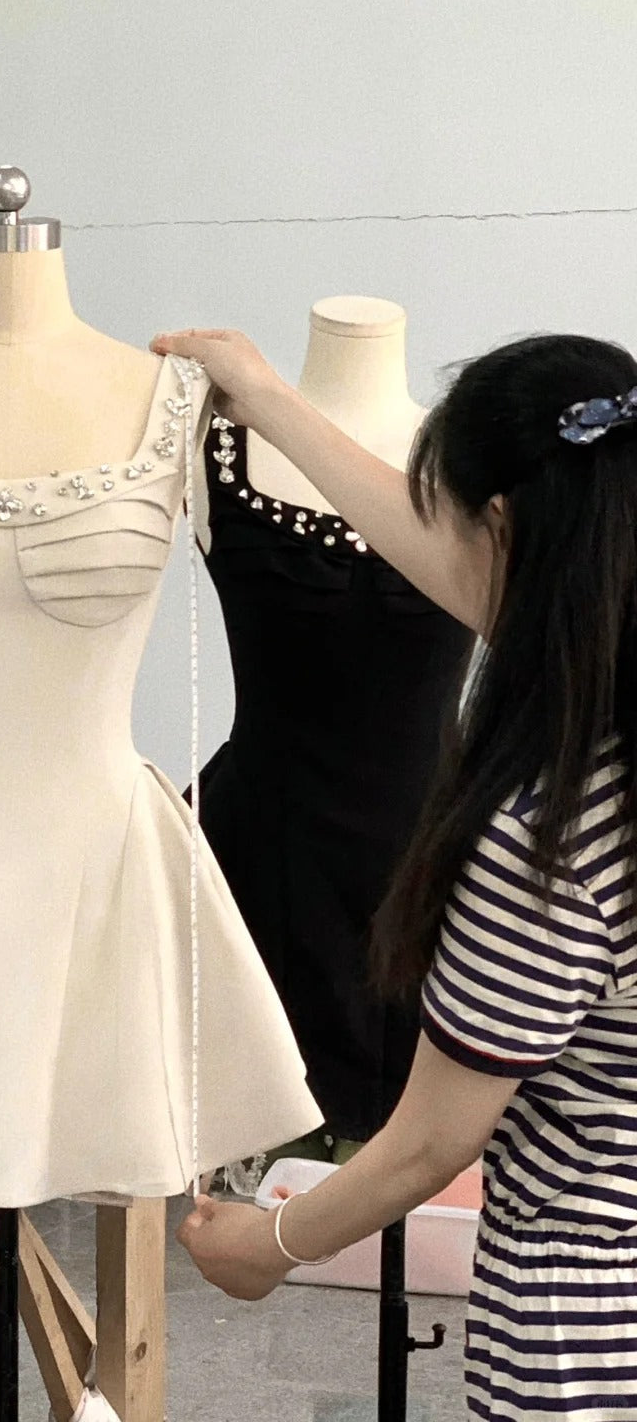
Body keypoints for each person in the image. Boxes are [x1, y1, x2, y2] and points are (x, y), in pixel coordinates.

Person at [151, 326, 637, 1420]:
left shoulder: (549, 842)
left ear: (501, 527)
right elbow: (464, 566)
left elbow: (428, 1145)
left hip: (585, 1337)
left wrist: (271, 1243)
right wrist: (269, 399)